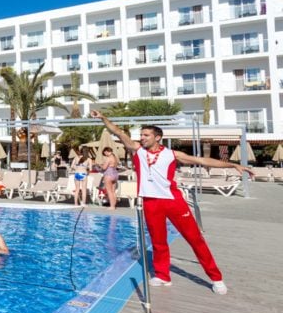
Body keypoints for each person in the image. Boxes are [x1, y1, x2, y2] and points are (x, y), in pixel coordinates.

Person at [91, 110, 252, 294]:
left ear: (157, 137)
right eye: (141, 135)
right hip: (150, 202)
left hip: (173, 201)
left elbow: (202, 160)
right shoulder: (138, 150)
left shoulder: (172, 154)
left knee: (195, 239)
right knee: (158, 242)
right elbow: (118, 132)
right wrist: (103, 118)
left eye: (146, 135)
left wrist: (233, 165)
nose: (142, 138)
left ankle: (216, 278)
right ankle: (163, 276)